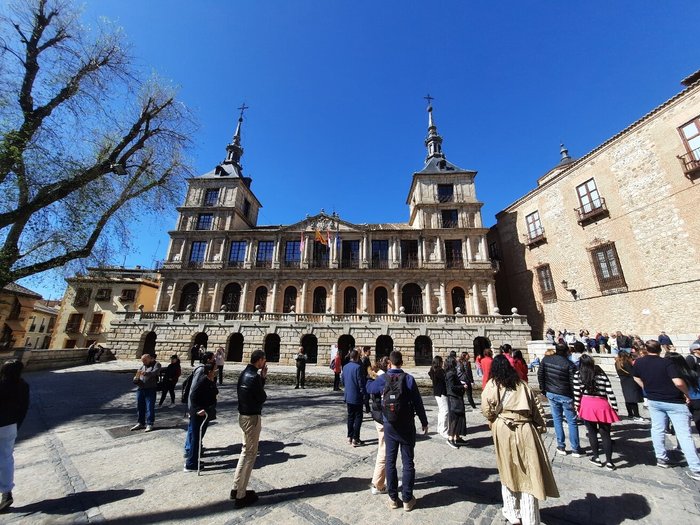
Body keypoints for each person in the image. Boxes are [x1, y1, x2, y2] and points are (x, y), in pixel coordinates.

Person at [482, 355, 559, 525]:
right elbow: (537, 410)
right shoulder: (523, 385)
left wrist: (495, 419)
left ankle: (512, 512)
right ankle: (531, 518)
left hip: (503, 430)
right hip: (525, 430)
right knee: (530, 472)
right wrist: (539, 426)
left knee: (507, 469)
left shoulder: (492, 385)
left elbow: (486, 409)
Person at [366, 351, 428, 512]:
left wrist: (369, 373)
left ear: (390, 364)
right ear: (402, 362)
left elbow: (368, 388)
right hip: (407, 425)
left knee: (390, 461)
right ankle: (407, 499)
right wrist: (424, 421)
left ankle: (393, 498)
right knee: (408, 462)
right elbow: (418, 402)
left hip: (389, 425)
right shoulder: (408, 379)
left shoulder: (383, 379)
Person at [633, 340, 700, 480]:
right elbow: (678, 382)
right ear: (660, 349)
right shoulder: (666, 363)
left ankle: (661, 458)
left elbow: (636, 377)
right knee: (684, 434)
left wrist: (645, 387)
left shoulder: (639, 362)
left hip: (654, 400)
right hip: (674, 401)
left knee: (657, 429)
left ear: (646, 349)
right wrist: (687, 394)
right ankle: (696, 468)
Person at [231, 349, 268, 508]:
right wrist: (262, 380)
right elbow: (262, 397)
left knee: (245, 451)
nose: (264, 362)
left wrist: (262, 378)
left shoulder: (245, 373)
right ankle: (241, 496)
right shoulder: (254, 378)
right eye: (264, 360)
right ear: (259, 360)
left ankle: (236, 488)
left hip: (243, 415)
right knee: (250, 455)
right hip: (252, 418)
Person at [572, 354, 619, 470]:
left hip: (587, 405)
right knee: (606, 435)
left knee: (592, 433)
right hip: (602, 405)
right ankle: (609, 462)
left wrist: (577, 407)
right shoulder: (601, 375)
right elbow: (610, 391)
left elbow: (577, 393)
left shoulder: (578, 375)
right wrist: (614, 407)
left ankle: (596, 457)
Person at [537, 343, 583, 457]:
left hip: (551, 393)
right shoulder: (570, 364)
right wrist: (576, 398)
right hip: (566, 395)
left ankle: (561, 446)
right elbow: (574, 383)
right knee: (572, 422)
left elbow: (540, 375)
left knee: (557, 419)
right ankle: (576, 449)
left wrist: (544, 389)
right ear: (567, 351)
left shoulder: (546, 360)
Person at [0, 360, 30, 512]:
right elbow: (24, 408)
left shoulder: (2, 385)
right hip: (11, 426)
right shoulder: (23, 385)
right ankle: (6, 492)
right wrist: (17, 425)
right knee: (6, 458)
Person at [183, 363, 218, 472]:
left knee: (198, 438)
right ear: (209, 371)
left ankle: (194, 460)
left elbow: (214, 393)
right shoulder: (202, 381)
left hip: (205, 413)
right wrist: (198, 409)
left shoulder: (209, 380)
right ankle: (190, 464)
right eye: (214, 369)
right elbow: (193, 396)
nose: (216, 370)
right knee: (196, 438)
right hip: (198, 414)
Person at [665, 352, 700, 435]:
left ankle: (680, 446)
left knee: (681, 427)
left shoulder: (673, 375)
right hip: (697, 398)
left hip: (681, 400)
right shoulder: (692, 372)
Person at [369, 356, 389, 496]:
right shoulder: (383, 380)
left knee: (386, 449)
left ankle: (386, 480)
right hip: (383, 419)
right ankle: (377, 484)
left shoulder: (375, 379)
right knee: (384, 450)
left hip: (378, 418)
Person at [130, 353, 161, 432]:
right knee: (140, 406)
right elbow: (137, 376)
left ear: (150, 359)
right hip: (140, 389)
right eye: (142, 361)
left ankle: (150, 423)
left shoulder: (156, 364)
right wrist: (135, 380)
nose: (143, 362)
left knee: (149, 407)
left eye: (145, 360)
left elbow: (155, 372)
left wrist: (146, 373)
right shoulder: (142, 366)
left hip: (150, 389)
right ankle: (140, 422)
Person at [343, 349, 366, 447]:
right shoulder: (358, 367)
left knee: (350, 417)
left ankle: (349, 436)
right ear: (357, 357)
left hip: (348, 395)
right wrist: (364, 393)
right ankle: (355, 438)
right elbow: (361, 382)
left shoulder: (345, 367)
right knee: (358, 417)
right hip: (357, 396)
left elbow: (342, 380)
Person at [445, 355, 467, 448]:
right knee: (454, 418)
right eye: (455, 361)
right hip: (453, 398)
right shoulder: (450, 374)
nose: (456, 362)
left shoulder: (452, 372)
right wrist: (462, 386)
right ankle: (450, 438)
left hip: (456, 397)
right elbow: (452, 387)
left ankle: (457, 436)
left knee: (459, 417)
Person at [615, 351, 644, 421]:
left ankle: (630, 414)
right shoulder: (626, 363)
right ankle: (636, 415)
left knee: (627, 398)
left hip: (623, 381)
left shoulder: (617, 363)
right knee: (633, 399)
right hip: (631, 381)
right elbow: (632, 372)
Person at [428, 355, 448, 439]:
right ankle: (443, 430)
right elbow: (446, 381)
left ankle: (439, 428)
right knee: (445, 411)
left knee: (441, 411)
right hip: (442, 393)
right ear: (439, 362)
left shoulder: (432, 370)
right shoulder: (440, 371)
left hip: (437, 393)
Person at [361, 347, 372, 413]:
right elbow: (364, 370)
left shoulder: (367, 358)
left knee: (367, 394)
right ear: (365, 352)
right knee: (366, 394)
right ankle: (367, 408)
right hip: (365, 378)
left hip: (367, 377)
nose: (370, 352)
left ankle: (367, 408)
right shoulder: (364, 359)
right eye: (368, 351)